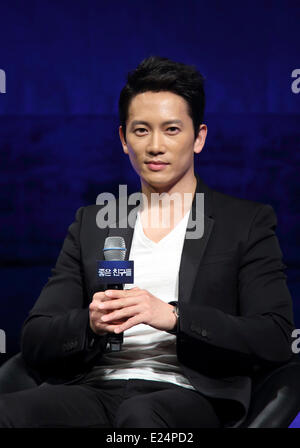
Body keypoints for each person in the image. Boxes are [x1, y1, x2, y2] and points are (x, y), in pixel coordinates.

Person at [0, 56, 295, 428]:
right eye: (141, 131)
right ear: (124, 139)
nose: (155, 146)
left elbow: (273, 337)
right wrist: (90, 324)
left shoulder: (245, 223)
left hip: (190, 394)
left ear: (198, 137)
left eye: (171, 130)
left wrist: (173, 316)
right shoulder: (92, 224)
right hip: (95, 388)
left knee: (139, 417)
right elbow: (36, 337)